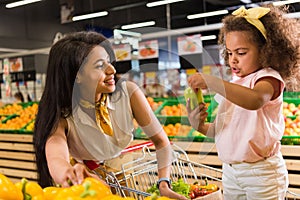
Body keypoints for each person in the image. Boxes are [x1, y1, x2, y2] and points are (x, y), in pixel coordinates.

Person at [33, 31, 187, 199]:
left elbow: (161, 141)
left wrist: (163, 183)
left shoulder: (129, 94)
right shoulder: (62, 115)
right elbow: (56, 157)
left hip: (126, 179)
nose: (112, 69)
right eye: (100, 65)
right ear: (77, 76)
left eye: (109, 61)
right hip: (86, 188)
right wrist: (69, 174)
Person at [186, 5, 299, 200]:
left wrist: (212, 81)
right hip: (231, 172)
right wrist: (199, 125)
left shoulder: (268, 79)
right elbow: (222, 131)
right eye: (229, 53)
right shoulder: (234, 85)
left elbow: (255, 100)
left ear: (266, 51)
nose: (233, 60)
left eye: (241, 52)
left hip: (261, 173)